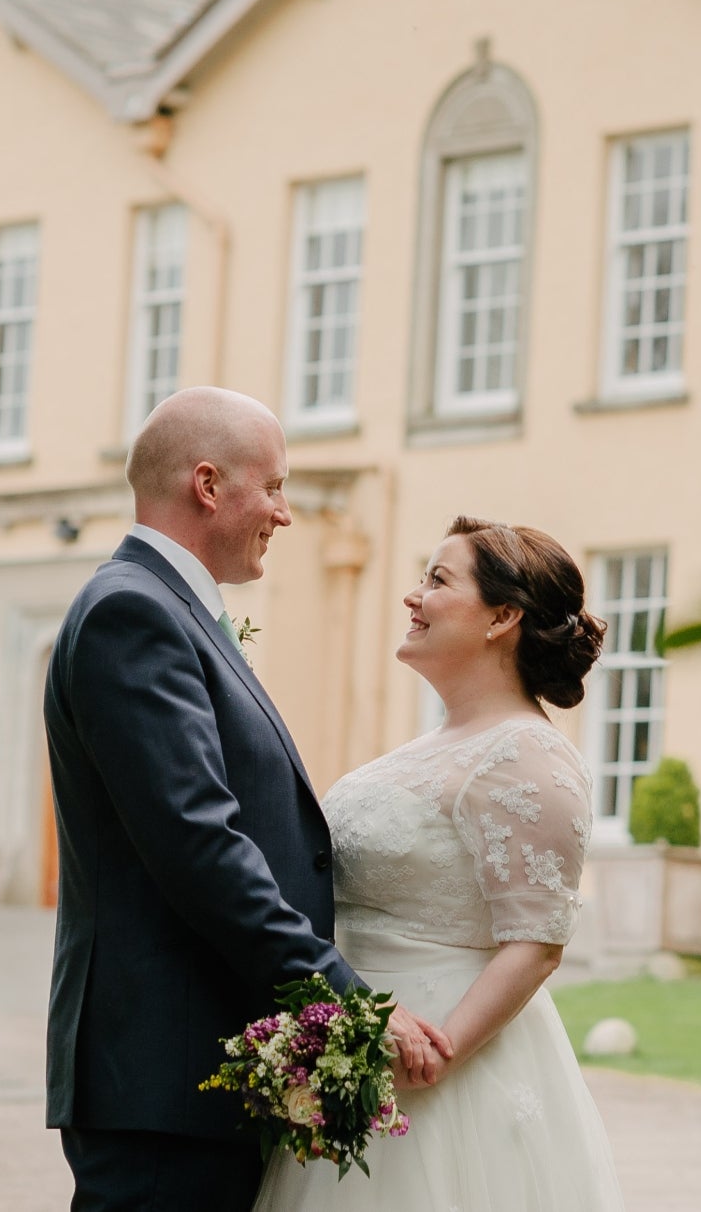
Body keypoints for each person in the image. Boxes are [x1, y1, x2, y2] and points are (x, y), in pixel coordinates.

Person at [44, 387, 451, 1212]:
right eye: (272, 487)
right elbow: (200, 845)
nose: (285, 513)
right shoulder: (134, 612)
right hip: (162, 1076)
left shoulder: (172, 608)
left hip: (192, 1073)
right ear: (207, 485)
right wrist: (345, 995)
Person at [253, 515, 627, 1212]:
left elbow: (537, 945)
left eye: (436, 579)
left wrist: (435, 1052)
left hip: (441, 1071)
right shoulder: (428, 748)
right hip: (357, 1044)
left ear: (502, 617)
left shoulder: (527, 755)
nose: (412, 596)